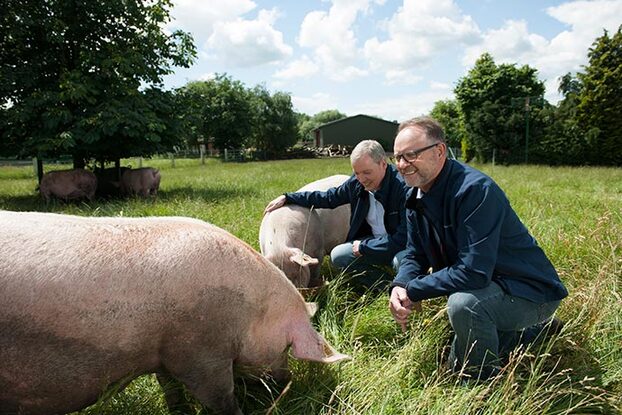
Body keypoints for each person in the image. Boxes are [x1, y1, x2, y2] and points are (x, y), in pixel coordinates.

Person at [388, 117, 568, 381]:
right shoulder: (413, 195)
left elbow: (473, 273)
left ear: (439, 151)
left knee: (465, 306)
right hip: (488, 285)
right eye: (398, 157)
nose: (403, 165)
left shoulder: (474, 190)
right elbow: (415, 253)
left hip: (528, 291)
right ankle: (534, 334)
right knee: (402, 264)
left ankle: (478, 383)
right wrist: (401, 285)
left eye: (411, 155)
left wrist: (415, 290)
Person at [264, 140, 408, 288]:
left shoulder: (404, 188)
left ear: (383, 164)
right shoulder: (358, 183)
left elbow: (404, 237)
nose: (361, 179)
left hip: (400, 244)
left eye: (367, 172)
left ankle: (408, 291)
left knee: (401, 261)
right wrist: (289, 197)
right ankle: (386, 286)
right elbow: (329, 198)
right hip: (371, 240)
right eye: (357, 173)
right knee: (338, 256)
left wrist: (366, 247)